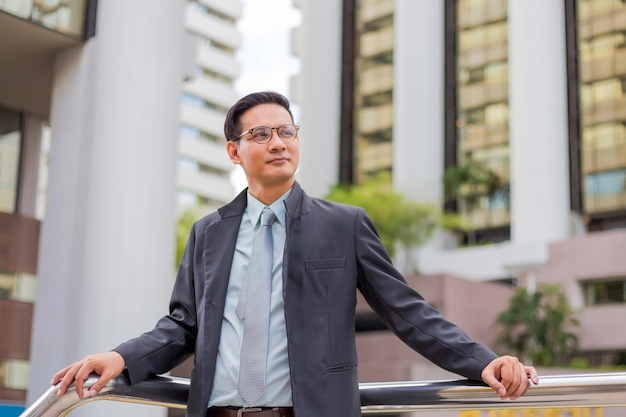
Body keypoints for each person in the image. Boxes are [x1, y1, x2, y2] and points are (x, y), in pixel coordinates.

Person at [52, 91, 538, 417]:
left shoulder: (343, 225)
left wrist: (482, 362)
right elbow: (182, 327)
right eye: (260, 134)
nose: (278, 142)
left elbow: (406, 312)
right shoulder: (207, 234)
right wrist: (119, 357)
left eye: (286, 131)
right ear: (234, 152)